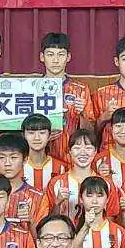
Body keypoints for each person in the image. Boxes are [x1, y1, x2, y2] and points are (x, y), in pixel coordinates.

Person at [38, 33, 92, 161]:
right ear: (42, 57)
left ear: (68, 57)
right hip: (39, 158)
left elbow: (90, 132)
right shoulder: (30, 88)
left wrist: (82, 114)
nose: (55, 60)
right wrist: (40, 135)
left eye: (61, 54)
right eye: (50, 54)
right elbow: (20, 130)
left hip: (71, 158)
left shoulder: (81, 90)